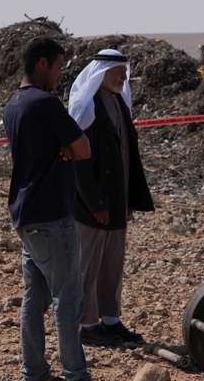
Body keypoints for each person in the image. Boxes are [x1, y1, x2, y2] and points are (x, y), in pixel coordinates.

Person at [3, 36, 118, 381]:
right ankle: (77, 378)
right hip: (52, 215)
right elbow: (82, 148)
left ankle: (34, 372)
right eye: (57, 67)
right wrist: (67, 148)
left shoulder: (15, 104)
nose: (59, 75)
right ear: (41, 64)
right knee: (68, 299)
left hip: (26, 213)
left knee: (34, 296)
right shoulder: (44, 103)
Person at [66, 49, 155, 348]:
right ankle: (86, 324)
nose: (123, 77)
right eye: (118, 72)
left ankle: (111, 320)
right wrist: (96, 204)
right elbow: (78, 163)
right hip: (91, 204)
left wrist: (126, 198)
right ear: (100, 72)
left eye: (124, 72)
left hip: (117, 200)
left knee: (112, 263)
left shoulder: (117, 101)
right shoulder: (86, 106)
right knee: (88, 264)